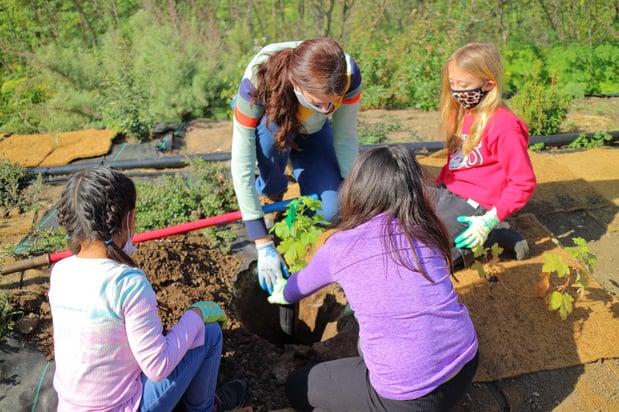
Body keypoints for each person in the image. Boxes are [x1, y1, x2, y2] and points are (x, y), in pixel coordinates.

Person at [267, 145, 479, 411]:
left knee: (299, 387)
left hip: (407, 397)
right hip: (465, 362)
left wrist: (282, 291)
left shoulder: (343, 247)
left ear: (357, 189)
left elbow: (297, 287)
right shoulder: (428, 229)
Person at [48, 167, 247, 412]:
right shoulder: (127, 283)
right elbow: (158, 366)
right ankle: (204, 408)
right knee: (210, 332)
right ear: (128, 220)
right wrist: (196, 315)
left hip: (69, 407)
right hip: (124, 407)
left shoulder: (61, 272)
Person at [230, 37, 362, 294]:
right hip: (271, 124)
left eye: (332, 103)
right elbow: (242, 164)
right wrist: (261, 241)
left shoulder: (347, 74)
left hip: (311, 133)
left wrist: (353, 193)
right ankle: (272, 192)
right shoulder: (256, 83)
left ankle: (295, 223)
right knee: (270, 140)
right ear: (297, 86)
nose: (327, 108)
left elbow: (345, 137)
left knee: (331, 211)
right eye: (318, 102)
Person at [433, 42, 537, 268]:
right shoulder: (460, 113)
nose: (456, 91)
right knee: (405, 226)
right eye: (452, 84)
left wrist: (488, 220)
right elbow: (455, 161)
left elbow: (523, 182)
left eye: (463, 85)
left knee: (435, 254)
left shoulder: (505, 127)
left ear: (488, 85)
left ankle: (493, 235)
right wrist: (437, 187)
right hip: (448, 192)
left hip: (478, 205)